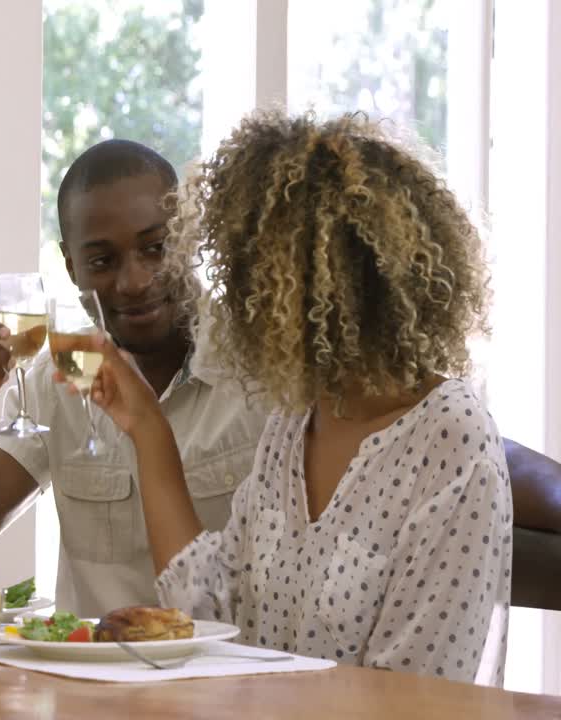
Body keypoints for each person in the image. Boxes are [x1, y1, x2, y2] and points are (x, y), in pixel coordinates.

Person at [80, 111, 511, 685]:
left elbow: (416, 698)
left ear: (332, 290)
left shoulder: (451, 438)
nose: (237, 307)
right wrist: (146, 426)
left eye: (252, 282)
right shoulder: (296, 422)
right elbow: (211, 611)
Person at [0, 140, 269, 616]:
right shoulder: (66, 369)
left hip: (231, 679)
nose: (134, 280)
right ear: (70, 265)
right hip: (91, 679)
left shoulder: (263, 370)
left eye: (156, 248)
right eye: (102, 261)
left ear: (189, 236)